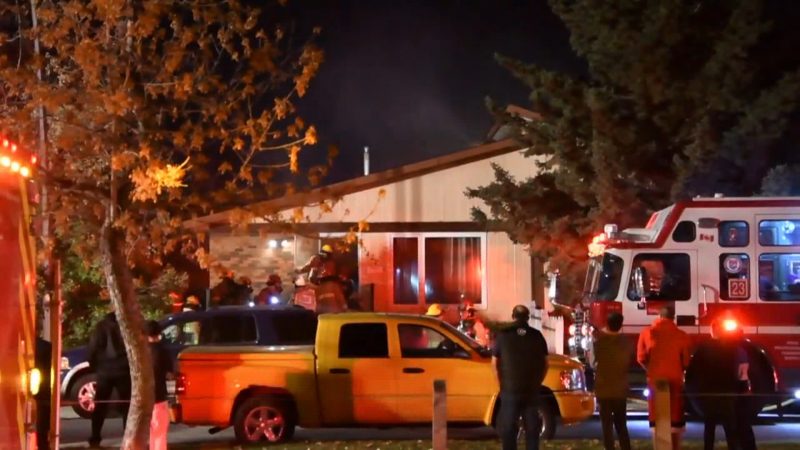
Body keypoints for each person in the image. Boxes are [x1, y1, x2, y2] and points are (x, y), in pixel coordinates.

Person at [492, 305, 548, 450]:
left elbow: (494, 363)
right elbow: (546, 363)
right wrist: (537, 382)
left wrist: (501, 385)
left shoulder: (503, 335)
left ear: (513, 316)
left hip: (510, 389)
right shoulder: (536, 336)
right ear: (528, 318)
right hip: (531, 390)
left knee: (509, 428)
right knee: (532, 429)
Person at [637, 306, 690, 450]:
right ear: (673, 317)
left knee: (658, 421)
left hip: (655, 382)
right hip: (675, 382)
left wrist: (651, 370)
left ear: (659, 317)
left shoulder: (647, 333)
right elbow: (686, 362)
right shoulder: (681, 335)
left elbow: (640, 358)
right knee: (676, 419)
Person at [689, 318, 746, 450]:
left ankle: (708, 448)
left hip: (709, 393)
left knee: (709, 426)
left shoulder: (703, 349)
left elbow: (693, 372)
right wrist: (741, 389)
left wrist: (695, 391)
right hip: (727, 392)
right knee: (730, 427)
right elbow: (740, 371)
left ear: (711, 331)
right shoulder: (732, 348)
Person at [87, 306, 131, 447]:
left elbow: (93, 347)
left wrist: (94, 365)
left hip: (105, 370)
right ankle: (128, 435)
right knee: (127, 405)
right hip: (123, 369)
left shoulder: (101, 327)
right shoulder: (126, 325)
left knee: (100, 405)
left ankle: (95, 437)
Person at [590, 312, 632, 450]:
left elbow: (592, 363)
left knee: (606, 426)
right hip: (620, 389)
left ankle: (610, 448)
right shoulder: (626, 342)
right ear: (620, 325)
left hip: (604, 389)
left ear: (607, 323)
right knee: (621, 424)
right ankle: (626, 447)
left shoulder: (598, 341)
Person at [146, 320, 173, 450]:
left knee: (152, 433)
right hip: (159, 397)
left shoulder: (140, 352)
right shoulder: (162, 352)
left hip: (143, 399)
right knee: (160, 433)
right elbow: (170, 374)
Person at [35, 337, 52, 450]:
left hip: (39, 390)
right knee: (43, 422)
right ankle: (43, 445)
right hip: (43, 392)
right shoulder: (46, 347)